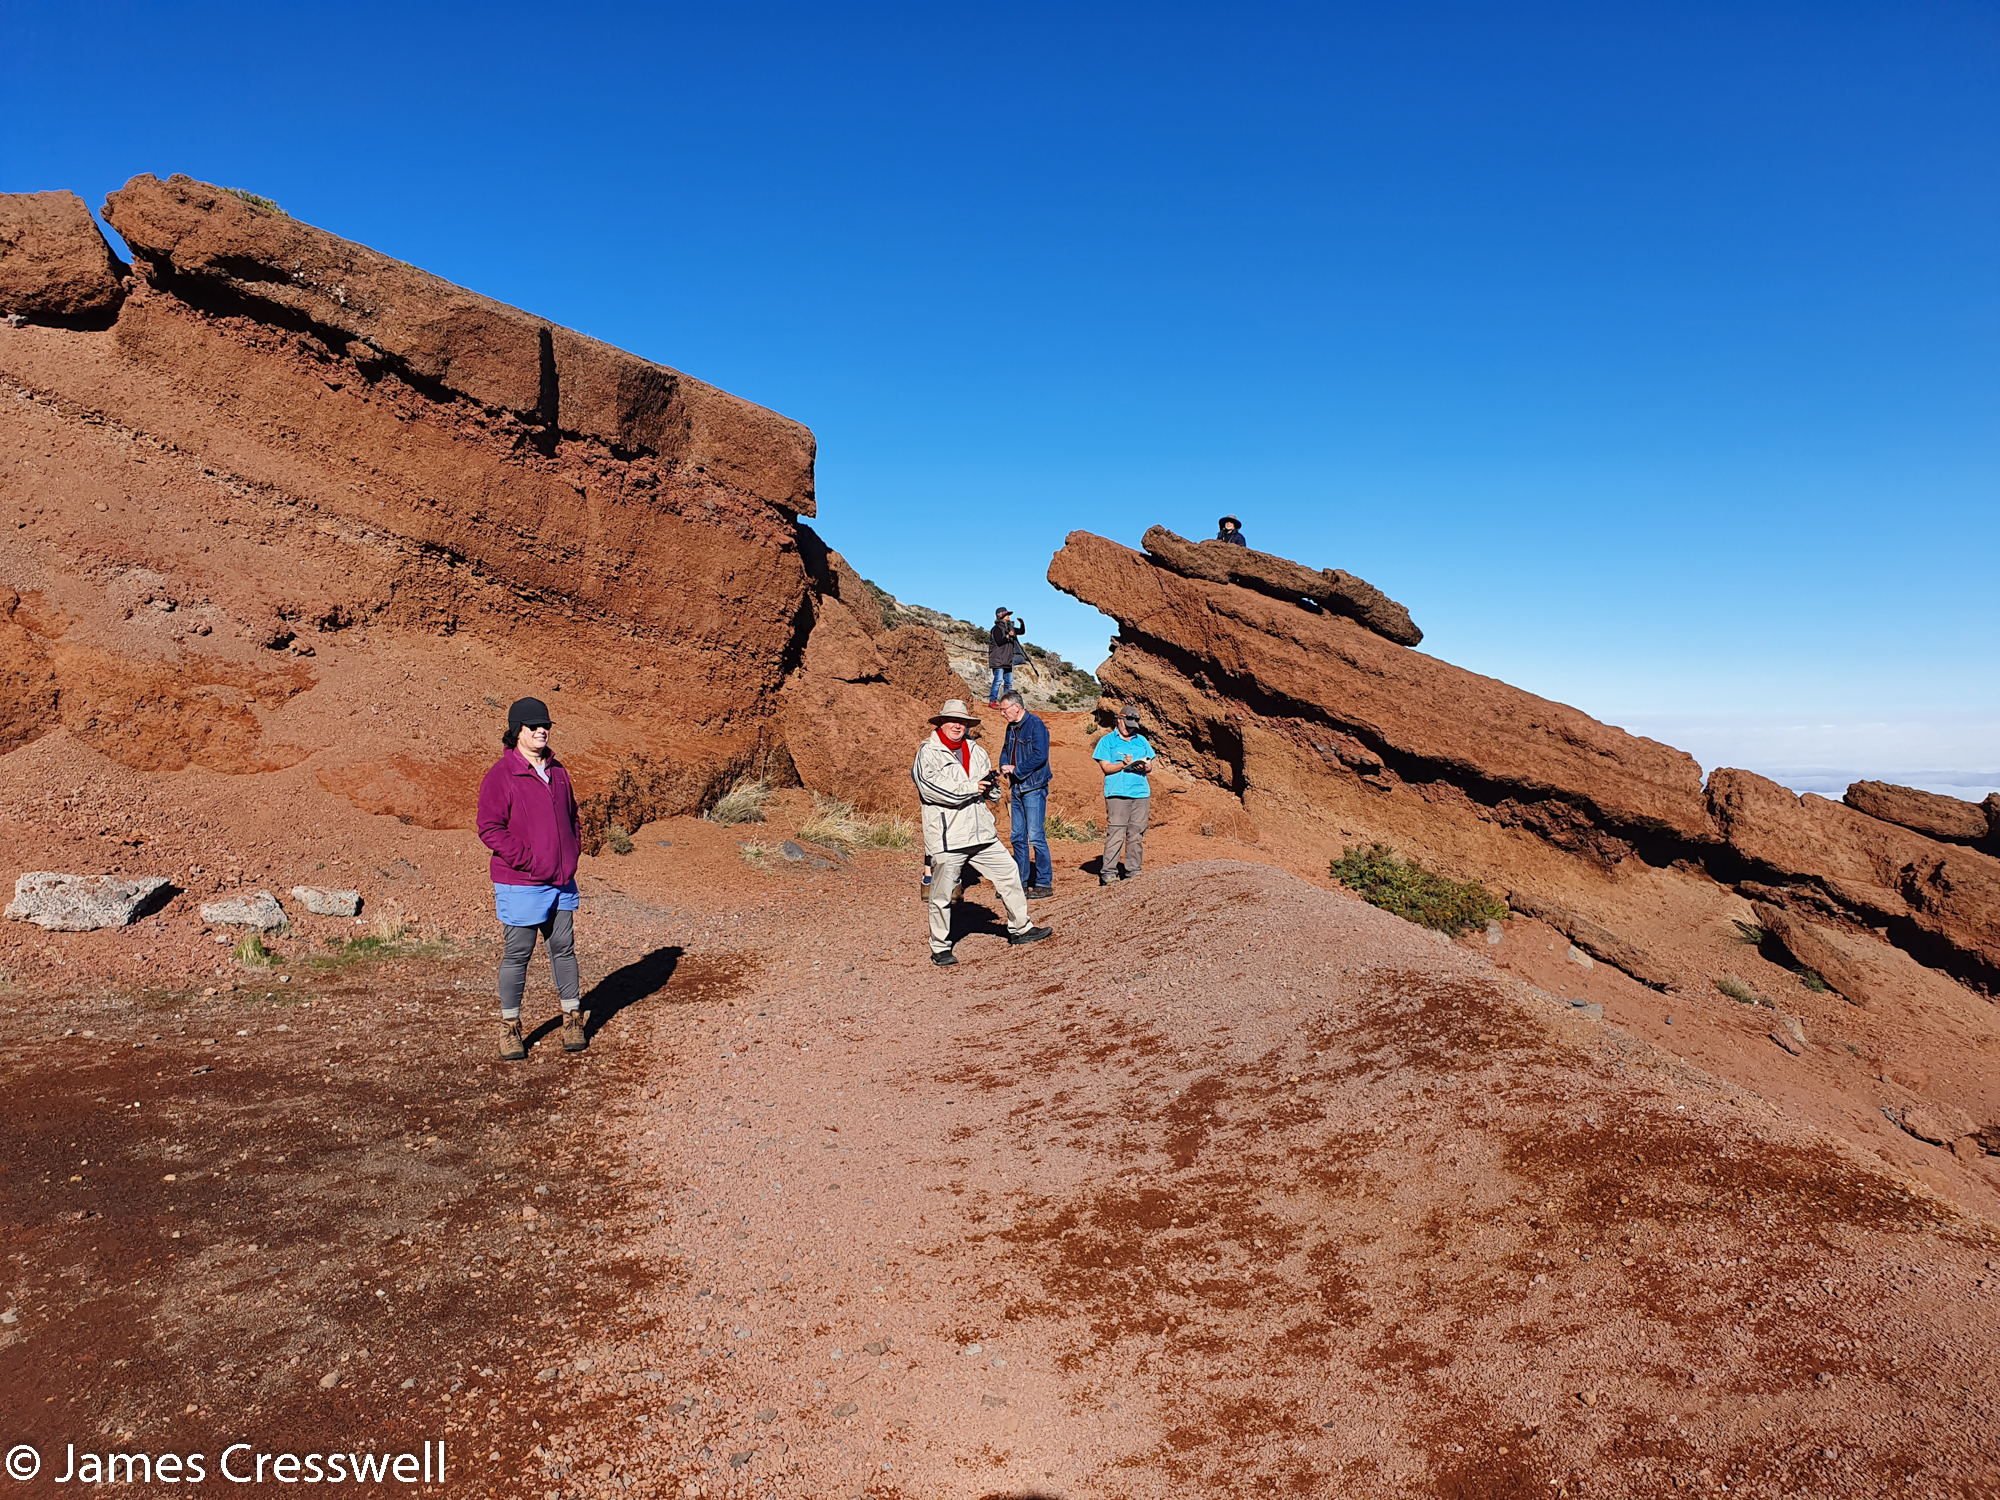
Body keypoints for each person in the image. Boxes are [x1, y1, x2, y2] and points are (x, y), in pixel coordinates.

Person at [477, 697, 586, 1060]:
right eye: (534, 725)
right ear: (516, 732)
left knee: (564, 950)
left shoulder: (558, 772)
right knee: (518, 954)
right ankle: (510, 1029)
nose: (542, 730)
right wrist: (529, 861)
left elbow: (572, 817)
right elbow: (489, 829)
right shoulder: (501, 775)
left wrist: (572, 851)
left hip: (561, 879)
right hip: (521, 882)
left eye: (546, 725)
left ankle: (572, 1019)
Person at [912, 699, 1053, 965]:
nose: (957, 726)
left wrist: (991, 787)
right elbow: (930, 789)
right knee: (942, 894)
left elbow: (990, 792)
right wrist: (971, 787)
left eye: (963, 722)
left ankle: (1020, 928)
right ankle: (940, 946)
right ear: (941, 723)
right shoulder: (928, 752)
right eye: (952, 721)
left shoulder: (975, 750)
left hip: (981, 833)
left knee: (1009, 874)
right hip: (948, 835)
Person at [997, 689, 1052, 898]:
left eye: (1004, 710)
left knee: (1036, 836)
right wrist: (1004, 764)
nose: (1002, 713)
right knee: (1017, 837)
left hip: (1034, 787)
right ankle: (1019, 882)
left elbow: (1040, 755)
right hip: (1017, 787)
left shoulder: (1036, 725)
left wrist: (1016, 770)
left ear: (1016, 707)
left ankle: (1044, 883)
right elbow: (1005, 750)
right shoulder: (1011, 728)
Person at [1092, 705, 1156, 884]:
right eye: (1126, 724)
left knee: (1136, 833)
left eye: (1132, 726)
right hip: (1117, 794)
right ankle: (1109, 872)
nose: (1129, 729)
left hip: (1141, 793)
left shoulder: (1141, 741)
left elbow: (1150, 765)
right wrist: (1123, 764)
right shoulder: (1106, 741)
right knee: (1116, 833)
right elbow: (1106, 767)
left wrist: (1144, 766)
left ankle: (1133, 871)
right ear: (1119, 720)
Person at [987, 608, 1024, 706]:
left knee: (1008, 682)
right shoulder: (996, 629)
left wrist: (1022, 623)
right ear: (1001, 616)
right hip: (998, 660)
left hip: (1007, 660)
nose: (1009, 616)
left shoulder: (1009, 628)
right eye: (1007, 615)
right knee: (998, 680)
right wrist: (1008, 635)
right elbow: (1000, 641)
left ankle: (1006, 703)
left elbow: (1021, 631)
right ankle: (992, 701)